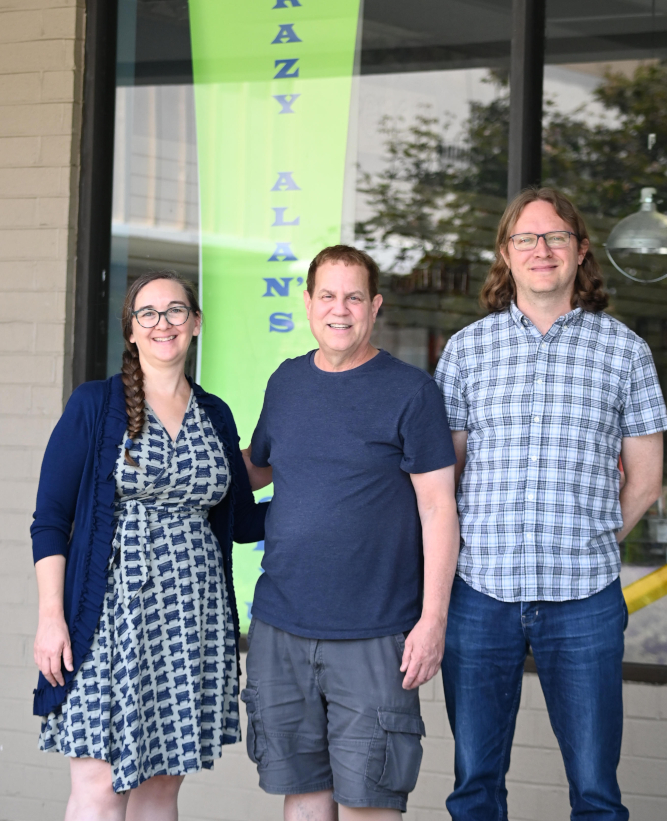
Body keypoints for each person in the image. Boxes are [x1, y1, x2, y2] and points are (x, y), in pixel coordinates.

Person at [435, 187, 667, 821]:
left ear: (581, 250)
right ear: (505, 254)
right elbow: (444, 478)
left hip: (585, 597)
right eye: (526, 239)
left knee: (596, 792)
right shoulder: (465, 350)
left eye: (556, 237)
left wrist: (592, 536)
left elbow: (646, 480)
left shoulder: (625, 352)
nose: (542, 250)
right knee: (475, 787)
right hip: (479, 593)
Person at [31, 270, 267, 820]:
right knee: (99, 789)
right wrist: (50, 617)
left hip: (191, 622)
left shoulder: (216, 414)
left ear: (197, 324)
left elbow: (242, 520)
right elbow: (51, 518)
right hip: (109, 622)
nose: (164, 323)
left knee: (161, 792)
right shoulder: (95, 405)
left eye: (176, 311)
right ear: (132, 331)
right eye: (149, 314)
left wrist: (337, 487)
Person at [241, 244, 459, 820]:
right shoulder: (286, 382)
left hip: (376, 635)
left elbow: (439, 509)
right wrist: (174, 443)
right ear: (308, 303)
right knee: (303, 798)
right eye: (328, 296)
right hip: (281, 626)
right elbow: (256, 466)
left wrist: (432, 621)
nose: (341, 310)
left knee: (369, 804)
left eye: (354, 297)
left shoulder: (411, 392)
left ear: (375, 306)